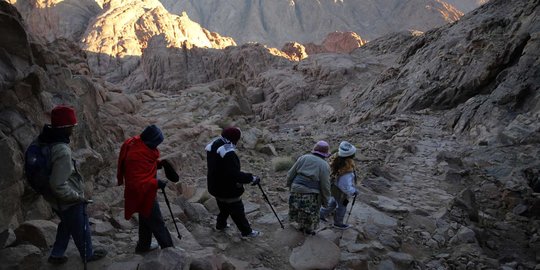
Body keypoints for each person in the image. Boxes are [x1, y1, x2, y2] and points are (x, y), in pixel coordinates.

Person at [38, 105, 107, 264]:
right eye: (72, 126)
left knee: (66, 224)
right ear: (65, 127)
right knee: (80, 224)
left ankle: (56, 254)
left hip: (52, 197)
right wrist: (77, 197)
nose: (73, 129)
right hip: (67, 198)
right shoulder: (62, 150)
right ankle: (87, 254)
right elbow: (58, 185)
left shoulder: (45, 139)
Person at [117, 125, 174, 252]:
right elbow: (135, 182)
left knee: (145, 218)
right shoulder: (135, 156)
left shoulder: (138, 144)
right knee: (157, 221)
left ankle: (143, 246)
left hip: (144, 192)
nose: (157, 146)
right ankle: (169, 249)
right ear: (151, 141)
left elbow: (145, 165)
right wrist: (156, 183)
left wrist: (158, 164)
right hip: (142, 194)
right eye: (157, 143)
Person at [205, 127, 261, 238]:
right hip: (228, 189)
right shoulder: (228, 153)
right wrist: (251, 178)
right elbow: (234, 174)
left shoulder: (214, 145)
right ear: (234, 139)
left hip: (214, 186)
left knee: (223, 207)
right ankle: (247, 232)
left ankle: (221, 225)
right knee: (238, 212)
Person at [286, 141, 331, 235]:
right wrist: (326, 201)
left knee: (296, 207)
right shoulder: (324, 165)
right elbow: (325, 185)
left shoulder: (303, 157)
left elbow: (291, 173)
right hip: (310, 193)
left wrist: (289, 185)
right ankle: (307, 230)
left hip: (296, 188)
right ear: (325, 154)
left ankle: (299, 226)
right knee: (310, 212)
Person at [320, 141, 359, 230]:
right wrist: (353, 191)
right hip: (341, 191)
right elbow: (344, 185)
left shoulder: (335, 158)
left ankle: (320, 214)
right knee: (342, 206)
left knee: (333, 202)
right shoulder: (346, 168)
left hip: (333, 186)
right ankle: (338, 223)